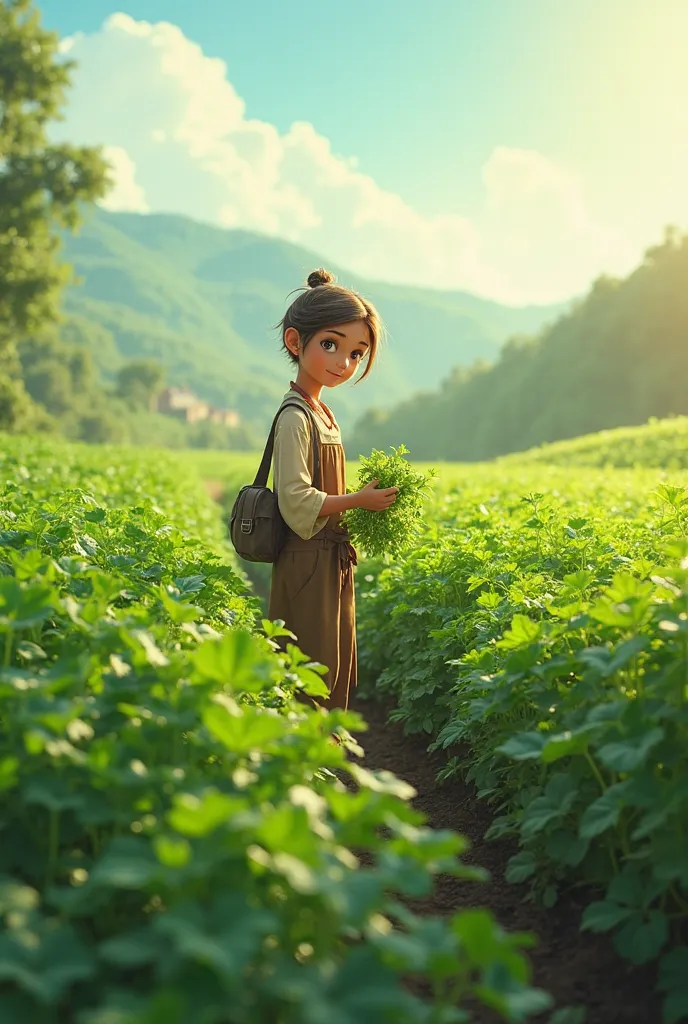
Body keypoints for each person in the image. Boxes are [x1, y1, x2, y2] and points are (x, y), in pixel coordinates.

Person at [268, 268, 398, 711]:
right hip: (306, 559)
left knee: (335, 657)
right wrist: (359, 500)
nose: (344, 362)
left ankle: (324, 755)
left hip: (329, 558)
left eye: (356, 353)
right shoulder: (295, 416)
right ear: (294, 342)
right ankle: (300, 762)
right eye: (331, 345)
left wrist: (361, 502)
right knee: (310, 660)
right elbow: (297, 500)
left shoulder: (323, 413)